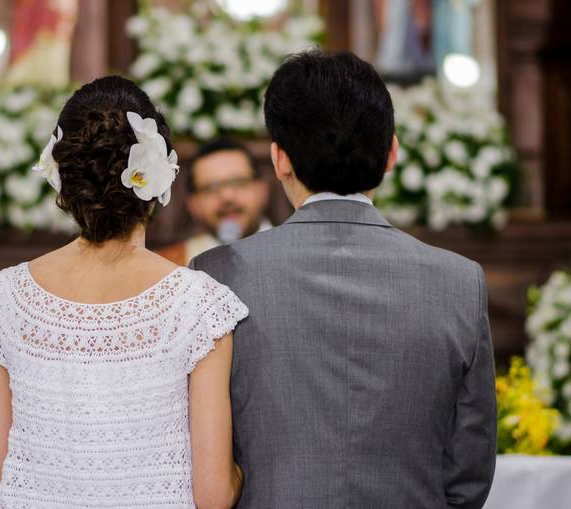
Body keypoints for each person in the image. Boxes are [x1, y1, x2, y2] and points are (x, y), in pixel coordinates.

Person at [191, 50, 497, 508]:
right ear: (391, 152)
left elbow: (205, 458)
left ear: (280, 160)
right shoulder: (460, 282)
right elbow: (468, 472)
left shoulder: (214, 277)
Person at [0, 76, 248, 508]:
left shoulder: (2, 301)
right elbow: (212, 496)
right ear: (156, 176)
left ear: (63, 176)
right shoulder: (198, 305)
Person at [159, 139, 270, 265]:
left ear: (262, 190)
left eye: (239, 182)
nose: (226, 197)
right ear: (193, 204)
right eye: (211, 188)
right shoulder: (166, 267)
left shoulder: (294, 250)